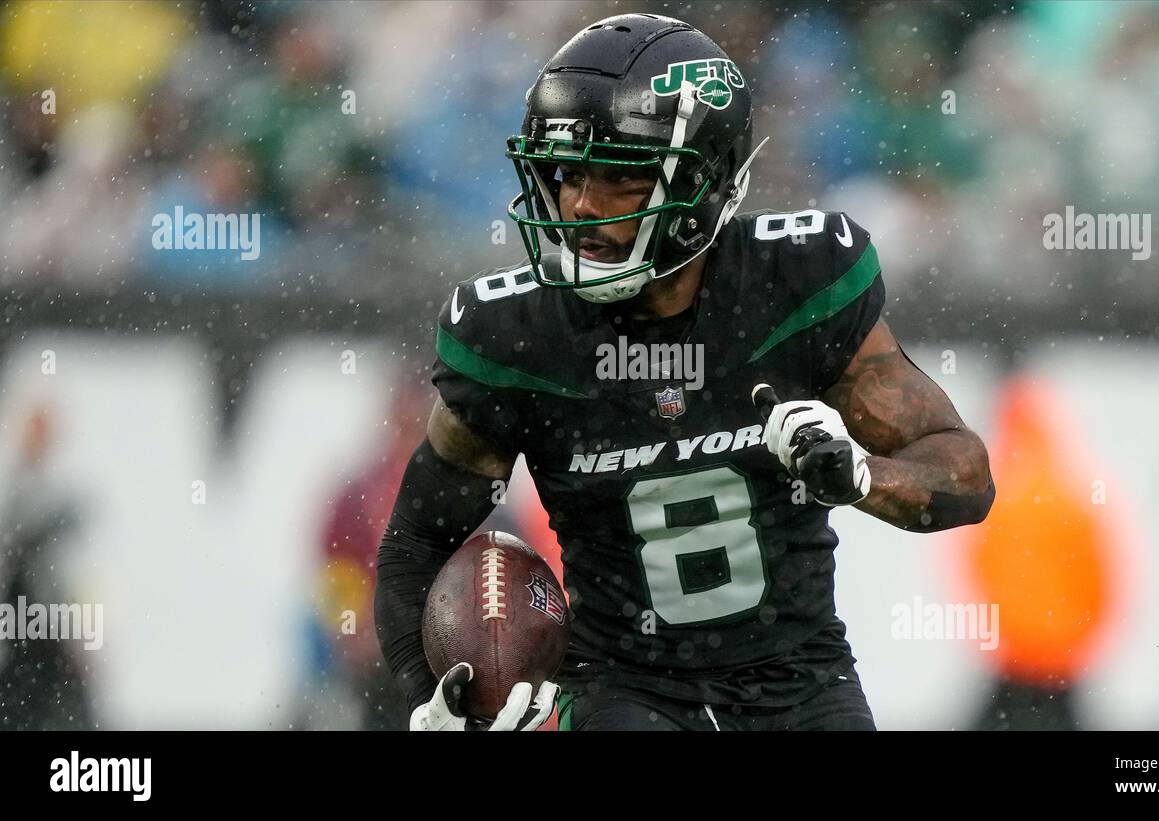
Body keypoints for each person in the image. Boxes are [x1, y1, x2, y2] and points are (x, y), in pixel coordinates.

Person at [374, 13, 994, 731]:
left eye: (620, 179)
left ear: (704, 184)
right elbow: (418, 540)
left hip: (800, 679)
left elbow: (965, 474)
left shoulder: (793, 283)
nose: (581, 204)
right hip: (620, 686)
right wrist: (431, 698)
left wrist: (859, 473)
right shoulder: (516, 336)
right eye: (566, 172)